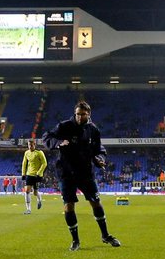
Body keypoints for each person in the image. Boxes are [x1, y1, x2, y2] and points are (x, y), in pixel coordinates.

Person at [42, 100, 121, 250]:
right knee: (68, 205)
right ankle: (75, 241)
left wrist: (100, 159)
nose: (79, 117)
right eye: (77, 114)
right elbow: (46, 137)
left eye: (83, 114)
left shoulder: (93, 130)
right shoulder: (64, 126)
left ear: (88, 114)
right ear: (75, 113)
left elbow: (99, 150)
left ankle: (105, 235)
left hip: (85, 172)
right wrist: (58, 142)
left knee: (96, 202)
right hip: (66, 172)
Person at [20, 138, 47, 214]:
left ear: (34, 145)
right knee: (27, 190)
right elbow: (24, 163)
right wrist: (23, 174)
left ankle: (39, 199)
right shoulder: (26, 153)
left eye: (31, 145)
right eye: (29, 145)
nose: (30, 147)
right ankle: (28, 209)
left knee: (35, 192)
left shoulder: (39, 153)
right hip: (29, 174)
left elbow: (44, 163)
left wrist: (39, 173)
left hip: (37, 175)